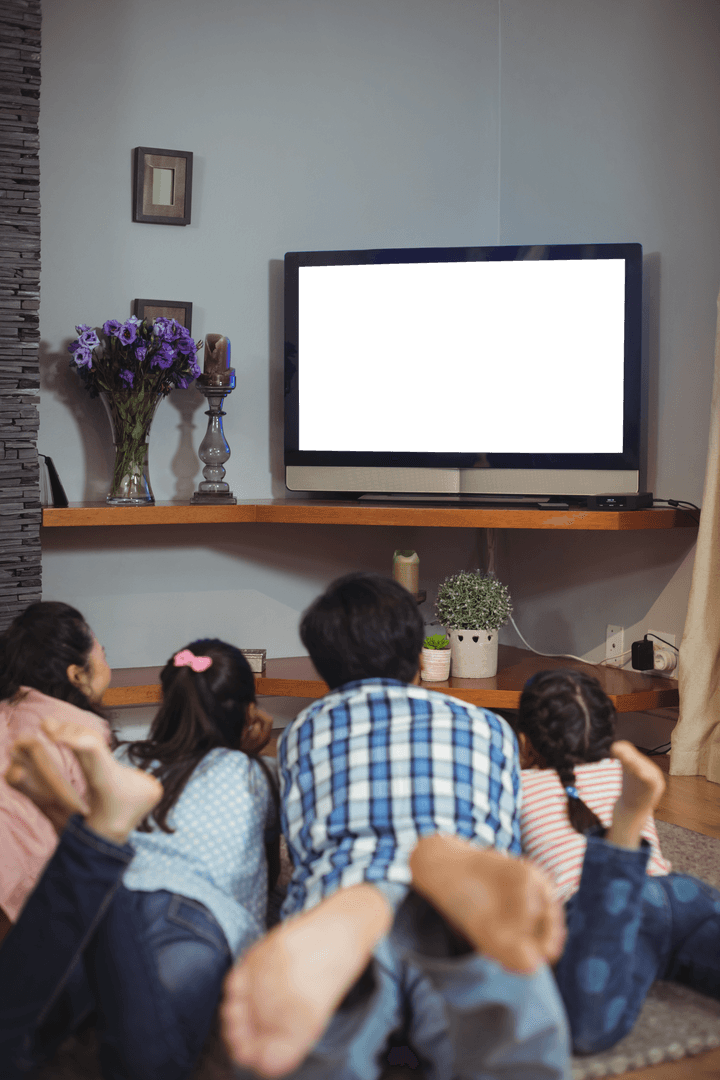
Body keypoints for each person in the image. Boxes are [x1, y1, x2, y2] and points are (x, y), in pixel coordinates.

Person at [222, 572, 571, 1080]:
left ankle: (354, 911)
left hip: (346, 881)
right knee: (508, 1035)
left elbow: (301, 848)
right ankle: (451, 880)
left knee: (318, 1048)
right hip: (457, 902)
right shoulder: (490, 726)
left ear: (324, 668)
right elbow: (505, 833)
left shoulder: (304, 730)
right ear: (419, 657)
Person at [0, 638, 279, 1080]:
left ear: (167, 700)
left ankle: (88, 831)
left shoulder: (125, 757)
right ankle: (87, 831)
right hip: (195, 916)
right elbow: (267, 865)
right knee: (151, 1061)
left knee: (25, 1032)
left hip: (113, 896)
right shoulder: (255, 774)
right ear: (247, 711)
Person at [515, 667, 720, 1054]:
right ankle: (623, 846)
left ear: (524, 742)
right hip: (671, 891)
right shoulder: (624, 772)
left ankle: (619, 846)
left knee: (586, 1027)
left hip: (595, 909)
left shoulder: (516, 786)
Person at [0, 601, 112, 939]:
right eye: (101, 652)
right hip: (20, 901)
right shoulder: (80, 732)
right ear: (76, 675)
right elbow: (94, 838)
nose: (105, 656)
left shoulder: (6, 711)